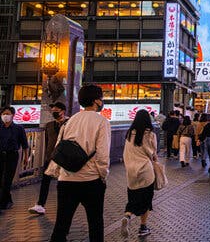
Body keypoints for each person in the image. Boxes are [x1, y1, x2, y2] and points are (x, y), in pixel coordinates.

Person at [50, 84, 111, 242]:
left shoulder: (70, 121)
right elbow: (103, 156)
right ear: (97, 101)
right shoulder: (102, 122)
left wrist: (58, 173)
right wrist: (103, 176)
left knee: (61, 225)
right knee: (95, 223)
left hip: (66, 180)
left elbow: (59, 149)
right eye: (101, 99)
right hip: (91, 181)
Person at [120, 110, 157, 238]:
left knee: (133, 198)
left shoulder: (130, 133)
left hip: (131, 172)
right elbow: (153, 154)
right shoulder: (150, 134)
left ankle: (127, 215)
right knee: (146, 200)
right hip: (146, 171)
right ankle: (143, 227)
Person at [29, 102, 68, 215]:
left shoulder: (69, 123)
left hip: (64, 158)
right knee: (45, 181)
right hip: (50, 157)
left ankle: (64, 207)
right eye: (53, 111)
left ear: (63, 111)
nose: (54, 113)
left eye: (56, 111)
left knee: (63, 183)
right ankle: (40, 204)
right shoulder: (49, 125)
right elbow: (47, 141)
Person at [0, 106, 28, 212]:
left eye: (8, 114)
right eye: (3, 114)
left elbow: (25, 144)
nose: (5, 116)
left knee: (7, 179)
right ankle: (8, 199)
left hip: (12, 155)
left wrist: (25, 158)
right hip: (0, 155)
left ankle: (3, 203)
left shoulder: (18, 128)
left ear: (13, 115)